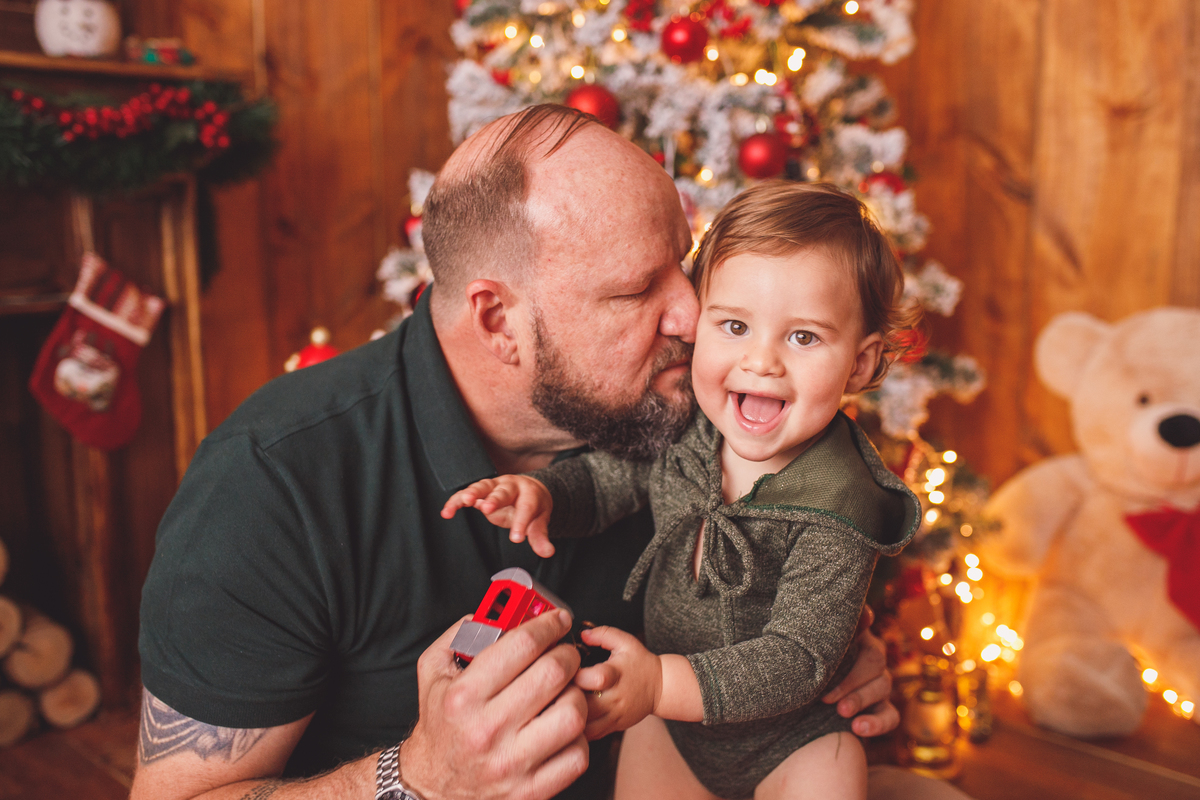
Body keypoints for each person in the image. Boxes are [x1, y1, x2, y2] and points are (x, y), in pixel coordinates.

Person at [131, 106, 899, 800]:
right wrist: (419, 779)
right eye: (637, 291)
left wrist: (819, 666)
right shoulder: (275, 483)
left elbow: (795, 590)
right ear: (498, 320)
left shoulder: (691, 419)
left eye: (686, 263)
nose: (695, 315)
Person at [442, 181, 922, 800]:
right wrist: (547, 496)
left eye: (803, 337)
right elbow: (615, 478)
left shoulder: (839, 503)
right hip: (671, 732)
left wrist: (659, 684)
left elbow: (798, 656)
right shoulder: (693, 426)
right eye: (734, 326)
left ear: (860, 363)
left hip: (795, 742)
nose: (762, 362)